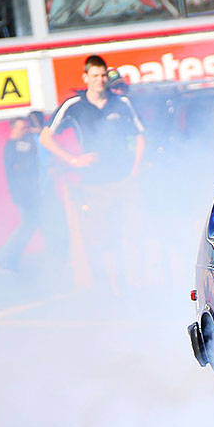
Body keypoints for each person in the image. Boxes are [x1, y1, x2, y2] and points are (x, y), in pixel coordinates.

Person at [40, 54, 145, 295]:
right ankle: (109, 289)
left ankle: (134, 288)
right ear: (86, 77)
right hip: (94, 185)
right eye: (95, 75)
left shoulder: (121, 103)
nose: (101, 80)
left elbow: (141, 135)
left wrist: (135, 171)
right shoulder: (74, 105)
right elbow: (45, 137)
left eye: (104, 75)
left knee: (132, 233)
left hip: (124, 180)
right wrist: (72, 160)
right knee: (102, 238)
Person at [0, 114, 68, 275]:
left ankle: (54, 264)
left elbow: (43, 160)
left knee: (47, 226)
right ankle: (3, 257)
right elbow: (14, 174)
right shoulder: (14, 145)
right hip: (27, 195)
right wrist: (18, 196)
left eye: (26, 127)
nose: (25, 130)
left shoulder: (30, 141)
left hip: (39, 193)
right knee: (29, 226)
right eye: (22, 128)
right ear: (13, 129)